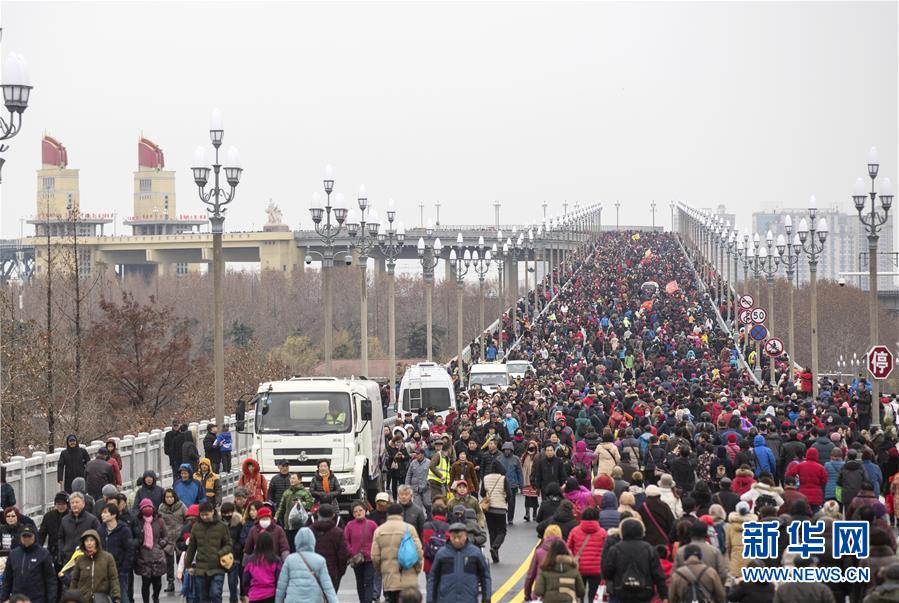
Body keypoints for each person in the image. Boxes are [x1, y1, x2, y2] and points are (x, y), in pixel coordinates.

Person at [602, 518, 668, 603]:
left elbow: (607, 572)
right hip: (644, 591)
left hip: (622, 591)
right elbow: (658, 575)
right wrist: (664, 595)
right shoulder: (649, 549)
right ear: (641, 531)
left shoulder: (615, 549)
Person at [426, 522, 491, 603]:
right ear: (450, 536)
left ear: (465, 536)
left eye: (459, 537)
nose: (456, 540)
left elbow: (485, 576)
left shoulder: (475, 553)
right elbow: (433, 577)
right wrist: (430, 599)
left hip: (469, 600)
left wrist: (487, 598)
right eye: (454, 537)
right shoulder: (442, 554)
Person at [371, 503, 424, 603]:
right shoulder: (409, 528)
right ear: (401, 514)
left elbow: (375, 557)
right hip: (408, 576)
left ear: (387, 514)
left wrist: (381, 570)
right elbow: (418, 551)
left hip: (389, 577)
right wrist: (417, 569)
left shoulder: (379, 530)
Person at [184, 502, 232, 603]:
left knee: (215, 594)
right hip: (201, 569)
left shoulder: (222, 526)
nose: (204, 517)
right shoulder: (196, 527)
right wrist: (188, 566)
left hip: (218, 567)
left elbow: (228, 544)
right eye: (202, 515)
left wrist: (219, 553)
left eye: (207, 514)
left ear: (212, 512)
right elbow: (191, 548)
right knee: (203, 598)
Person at [275, 527, 337, 603]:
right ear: (313, 541)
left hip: (293, 599)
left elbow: (281, 586)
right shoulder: (320, 560)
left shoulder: (290, 560)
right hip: (314, 600)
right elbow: (328, 587)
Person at [0, 524, 57, 603]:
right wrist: (3, 599)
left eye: (29, 536)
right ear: (20, 537)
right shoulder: (13, 554)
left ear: (34, 536)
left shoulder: (44, 553)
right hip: (17, 599)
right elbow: (7, 579)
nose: (26, 538)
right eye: (24, 536)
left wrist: (51, 600)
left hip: (37, 599)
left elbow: (51, 580)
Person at [566, 506, 607, 603]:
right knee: (593, 595)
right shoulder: (602, 532)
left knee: (579, 594)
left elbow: (568, 548)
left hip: (579, 567)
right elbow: (606, 551)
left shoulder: (575, 531)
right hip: (596, 569)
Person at [69, 529, 121, 603]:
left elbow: (113, 578)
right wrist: (71, 598)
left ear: (96, 541)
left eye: (91, 540)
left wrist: (117, 597)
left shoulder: (107, 557)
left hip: (101, 598)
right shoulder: (80, 559)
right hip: (83, 598)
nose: (89, 543)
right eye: (86, 541)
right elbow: (74, 580)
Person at [98, 503, 133, 603]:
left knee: (122, 597)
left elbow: (129, 550)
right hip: (104, 571)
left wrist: (124, 568)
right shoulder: (100, 530)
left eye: (105, 512)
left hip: (120, 571)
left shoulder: (124, 530)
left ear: (114, 515)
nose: (102, 515)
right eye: (102, 513)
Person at [134, 498, 168, 603]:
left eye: (149, 506)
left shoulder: (159, 521)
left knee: (157, 583)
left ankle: (156, 597)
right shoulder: (138, 522)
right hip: (143, 556)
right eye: (145, 507)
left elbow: (166, 536)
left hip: (157, 556)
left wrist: (161, 544)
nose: (148, 508)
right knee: (145, 583)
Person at [310, 504, 348, 591]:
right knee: (330, 595)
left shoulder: (309, 530)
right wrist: (341, 571)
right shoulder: (338, 532)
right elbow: (342, 555)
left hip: (313, 571)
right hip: (332, 572)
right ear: (333, 515)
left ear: (318, 514)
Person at [344, 501, 378, 603]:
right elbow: (345, 540)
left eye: (360, 510)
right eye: (355, 511)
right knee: (360, 582)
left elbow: (377, 540)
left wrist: (373, 551)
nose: (358, 513)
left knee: (369, 581)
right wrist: (351, 551)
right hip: (356, 558)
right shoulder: (349, 525)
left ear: (365, 511)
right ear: (353, 514)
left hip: (370, 558)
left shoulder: (372, 524)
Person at [533, 539, 586, 603]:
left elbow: (538, 591)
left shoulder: (545, 570)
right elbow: (581, 592)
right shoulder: (573, 569)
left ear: (550, 553)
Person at [480, 457, 511, 563]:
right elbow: (509, 494)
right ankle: (495, 547)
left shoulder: (485, 478)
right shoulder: (503, 478)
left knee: (492, 531)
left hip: (489, 509)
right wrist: (505, 500)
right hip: (500, 508)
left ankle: (494, 554)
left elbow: (482, 493)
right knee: (502, 531)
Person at [58, 492, 101, 568]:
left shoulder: (92, 520)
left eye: (77, 502)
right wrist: (63, 550)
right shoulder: (65, 520)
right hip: (68, 559)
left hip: (87, 558)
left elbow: (99, 537)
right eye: (72, 503)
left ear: (83, 503)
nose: (74, 505)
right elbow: (61, 538)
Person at [274, 472, 313, 548]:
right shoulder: (287, 492)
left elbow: (310, 503)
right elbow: (281, 507)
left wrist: (301, 504)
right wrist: (276, 516)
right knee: (290, 545)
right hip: (288, 524)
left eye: (294, 478)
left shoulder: (305, 492)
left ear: (300, 480)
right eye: (291, 478)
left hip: (301, 523)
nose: (291, 480)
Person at [158, 488, 186, 594]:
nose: (169, 499)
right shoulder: (161, 508)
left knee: (181, 562)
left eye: (171, 497)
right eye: (167, 497)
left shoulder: (181, 506)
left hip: (179, 538)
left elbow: (188, 518)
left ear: (174, 497)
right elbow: (159, 523)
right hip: (168, 538)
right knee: (169, 563)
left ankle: (184, 583)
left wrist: (185, 532)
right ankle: (170, 582)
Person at [241, 531, 282, 603]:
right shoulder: (276, 560)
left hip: (254, 596)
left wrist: (248, 592)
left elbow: (245, 580)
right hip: (271, 595)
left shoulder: (250, 560)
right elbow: (279, 579)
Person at [219, 502, 244, 603]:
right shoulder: (218, 523)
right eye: (225, 513)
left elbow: (241, 540)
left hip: (234, 556)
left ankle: (233, 600)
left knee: (233, 583)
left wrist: (234, 550)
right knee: (218, 584)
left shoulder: (238, 523)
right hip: (220, 556)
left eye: (229, 513)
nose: (227, 515)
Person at [497, 441, 524, 526]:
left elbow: (519, 472)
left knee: (511, 503)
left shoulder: (516, 459)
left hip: (512, 485)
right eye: (506, 449)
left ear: (511, 450)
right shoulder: (499, 458)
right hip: (501, 484)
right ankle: (501, 518)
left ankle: (510, 519)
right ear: (503, 450)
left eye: (509, 449)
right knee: (501, 503)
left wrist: (521, 485)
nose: (507, 451)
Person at [38, 492, 68, 566]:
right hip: (53, 551)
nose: (60, 507)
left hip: (68, 551)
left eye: (63, 504)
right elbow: (42, 535)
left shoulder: (71, 516)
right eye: (58, 504)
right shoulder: (48, 516)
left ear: (67, 504)